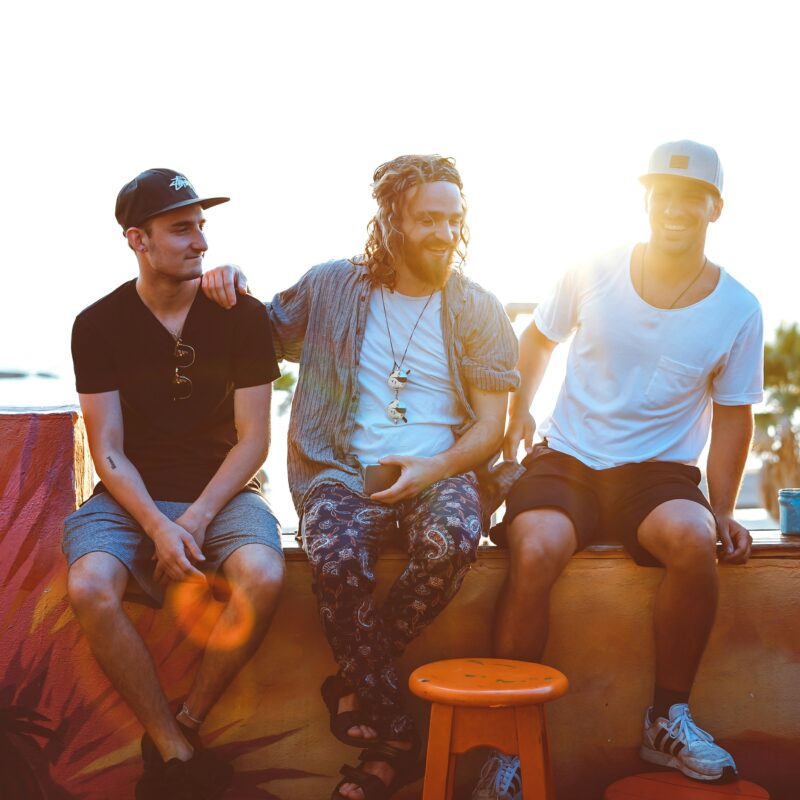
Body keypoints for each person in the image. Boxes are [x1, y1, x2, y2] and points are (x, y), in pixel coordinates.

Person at [203, 154, 519, 800]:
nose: (443, 232)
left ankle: (359, 690)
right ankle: (396, 735)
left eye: (453, 219)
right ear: (392, 220)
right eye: (428, 218)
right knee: (339, 564)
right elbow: (258, 331)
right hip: (339, 471)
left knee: (451, 541)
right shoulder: (331, 287)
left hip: (442, 469)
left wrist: (433, 466)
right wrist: (229, 280)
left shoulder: (479, 309)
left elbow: (490, 427)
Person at [474, 140, 763, 798]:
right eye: (663, 192)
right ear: (645, 199)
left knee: (695, 542)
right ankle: (506, 743)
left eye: (692, 196)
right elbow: (538, 339)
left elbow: (734, 416)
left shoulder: (738, 307)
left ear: (715, 208)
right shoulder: (594, 267)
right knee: (537, 545)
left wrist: (722, 511)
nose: (676, 206)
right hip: (569, 456)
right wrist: (520, 415)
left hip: (658, 473)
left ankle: (667, 720)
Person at [63, 169, 285, 800]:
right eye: (181, 229)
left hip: (224, 490)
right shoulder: (97, 324)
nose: (201, 243)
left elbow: (254, 440)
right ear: (138, 239)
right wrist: (158, 525)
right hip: (129, 495)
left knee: (265, 577)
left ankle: (187, 721)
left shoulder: (240, 316)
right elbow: (106, 450)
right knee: (89, 587)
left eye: (202, 227)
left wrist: (193, 519)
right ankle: (173, 747)